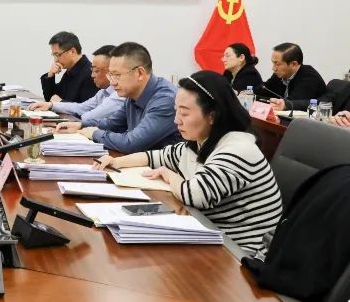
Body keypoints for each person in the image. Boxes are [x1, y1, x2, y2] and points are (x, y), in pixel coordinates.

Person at [93, 71, 283, 253]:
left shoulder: (238, 148)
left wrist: (168, 174)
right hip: (211, 233)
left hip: (240, 252)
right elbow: (156, 156)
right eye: (176, 111)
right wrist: (116, 162)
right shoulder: (202, 141)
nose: (177, 120)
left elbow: (195, 195)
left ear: (212, 115)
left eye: (184, 114)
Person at [56, 42, 180, 153]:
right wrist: (80, 125)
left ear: (140, 73)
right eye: (110, 75)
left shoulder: (165, 99)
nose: (112, 82)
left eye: (117, 75)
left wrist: (94, 133)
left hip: (162, 169)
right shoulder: (132, 94)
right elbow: (112, 123)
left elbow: (132, 143)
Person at [29, 44, 124, 124]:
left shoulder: (119, 95)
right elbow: (82, 107)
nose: (92, 75)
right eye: (92, 70)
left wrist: (59, 104)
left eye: (96, 70)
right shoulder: (103, 92)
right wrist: (51, 105)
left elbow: (89, 117)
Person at [260, 43, 326, 111]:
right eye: (273, 63)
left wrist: (273, 101)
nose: (274, 68)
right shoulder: (280, 74)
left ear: (294, 64)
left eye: (277, 64)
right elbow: (263, 91)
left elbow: (290, 104)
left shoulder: (309, 78)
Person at [39, 31, 98, 103]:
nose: (55, 60)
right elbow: (50, 98)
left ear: (72, 51)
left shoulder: (90, 74)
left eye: (57, 55)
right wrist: (50, 76)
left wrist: (61, 102)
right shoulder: (70, 70)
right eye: (54, 55)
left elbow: (86, 107)